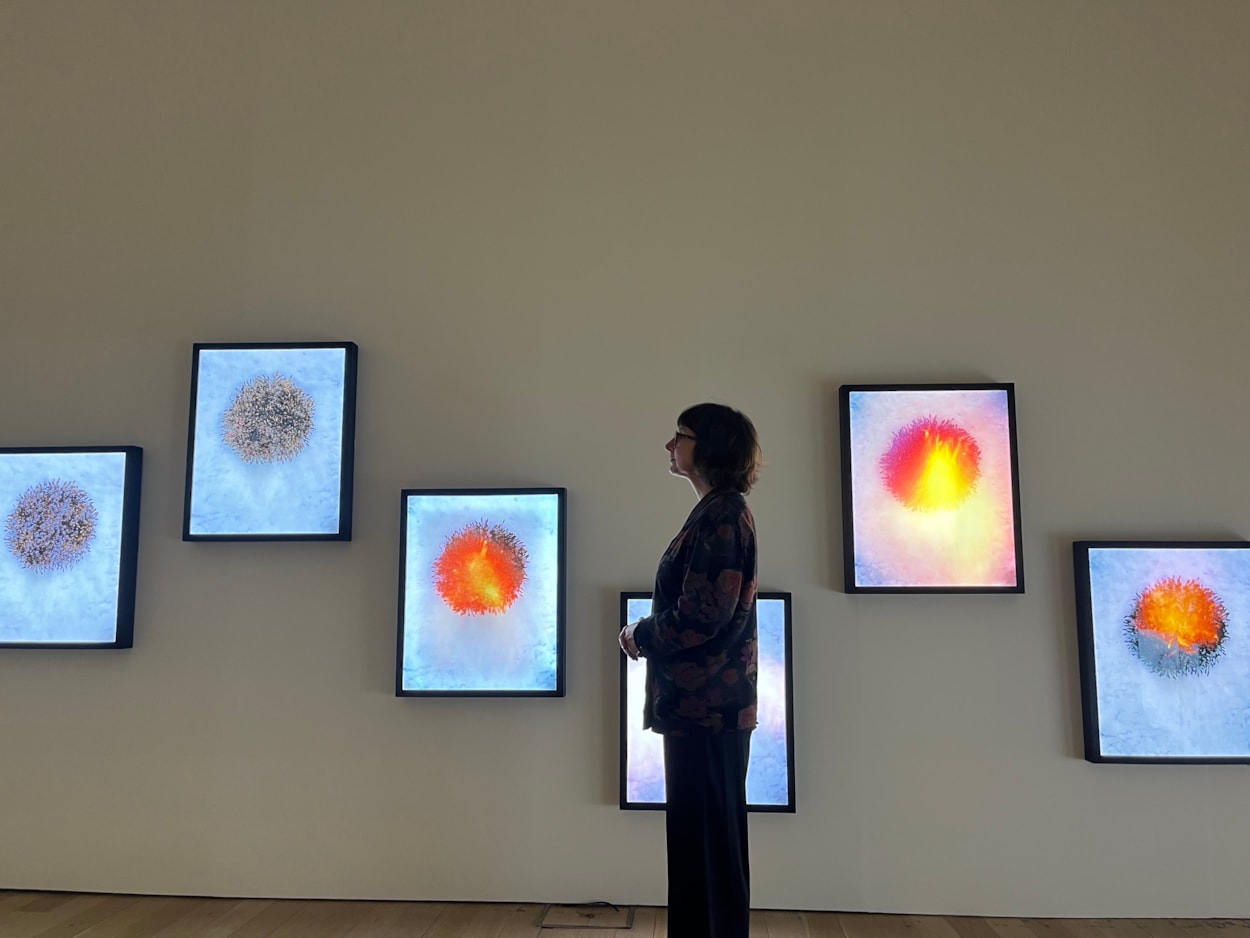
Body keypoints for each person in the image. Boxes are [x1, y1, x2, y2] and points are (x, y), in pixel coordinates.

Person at [619, 402, 761, 938]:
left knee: (707, 847)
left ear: (710, 448)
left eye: (679, 436)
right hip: (703, 710)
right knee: (703, 845)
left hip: (708, 711)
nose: (669, 445)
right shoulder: (717, 513)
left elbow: (705, 612)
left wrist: (640, 635)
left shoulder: (723, 515)